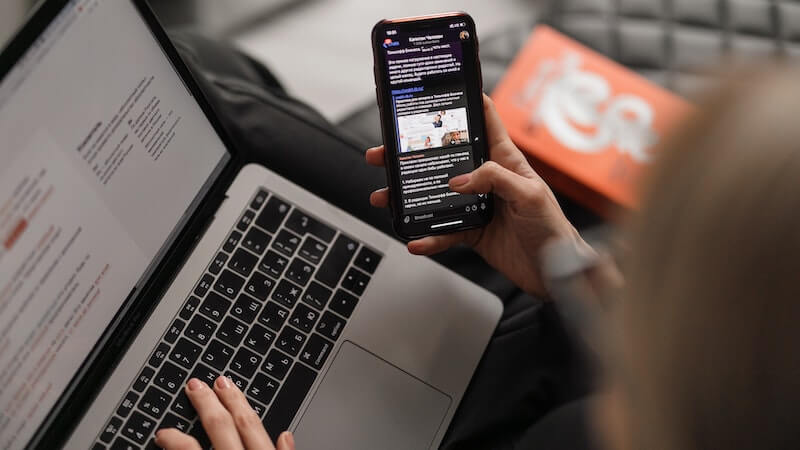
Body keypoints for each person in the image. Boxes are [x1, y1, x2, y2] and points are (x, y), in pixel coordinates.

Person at [158, 33, 800, 450]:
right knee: (214, 72)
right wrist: (579, 279)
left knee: (205, 85)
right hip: (535, 329)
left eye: (654, 264)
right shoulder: (708, 403)